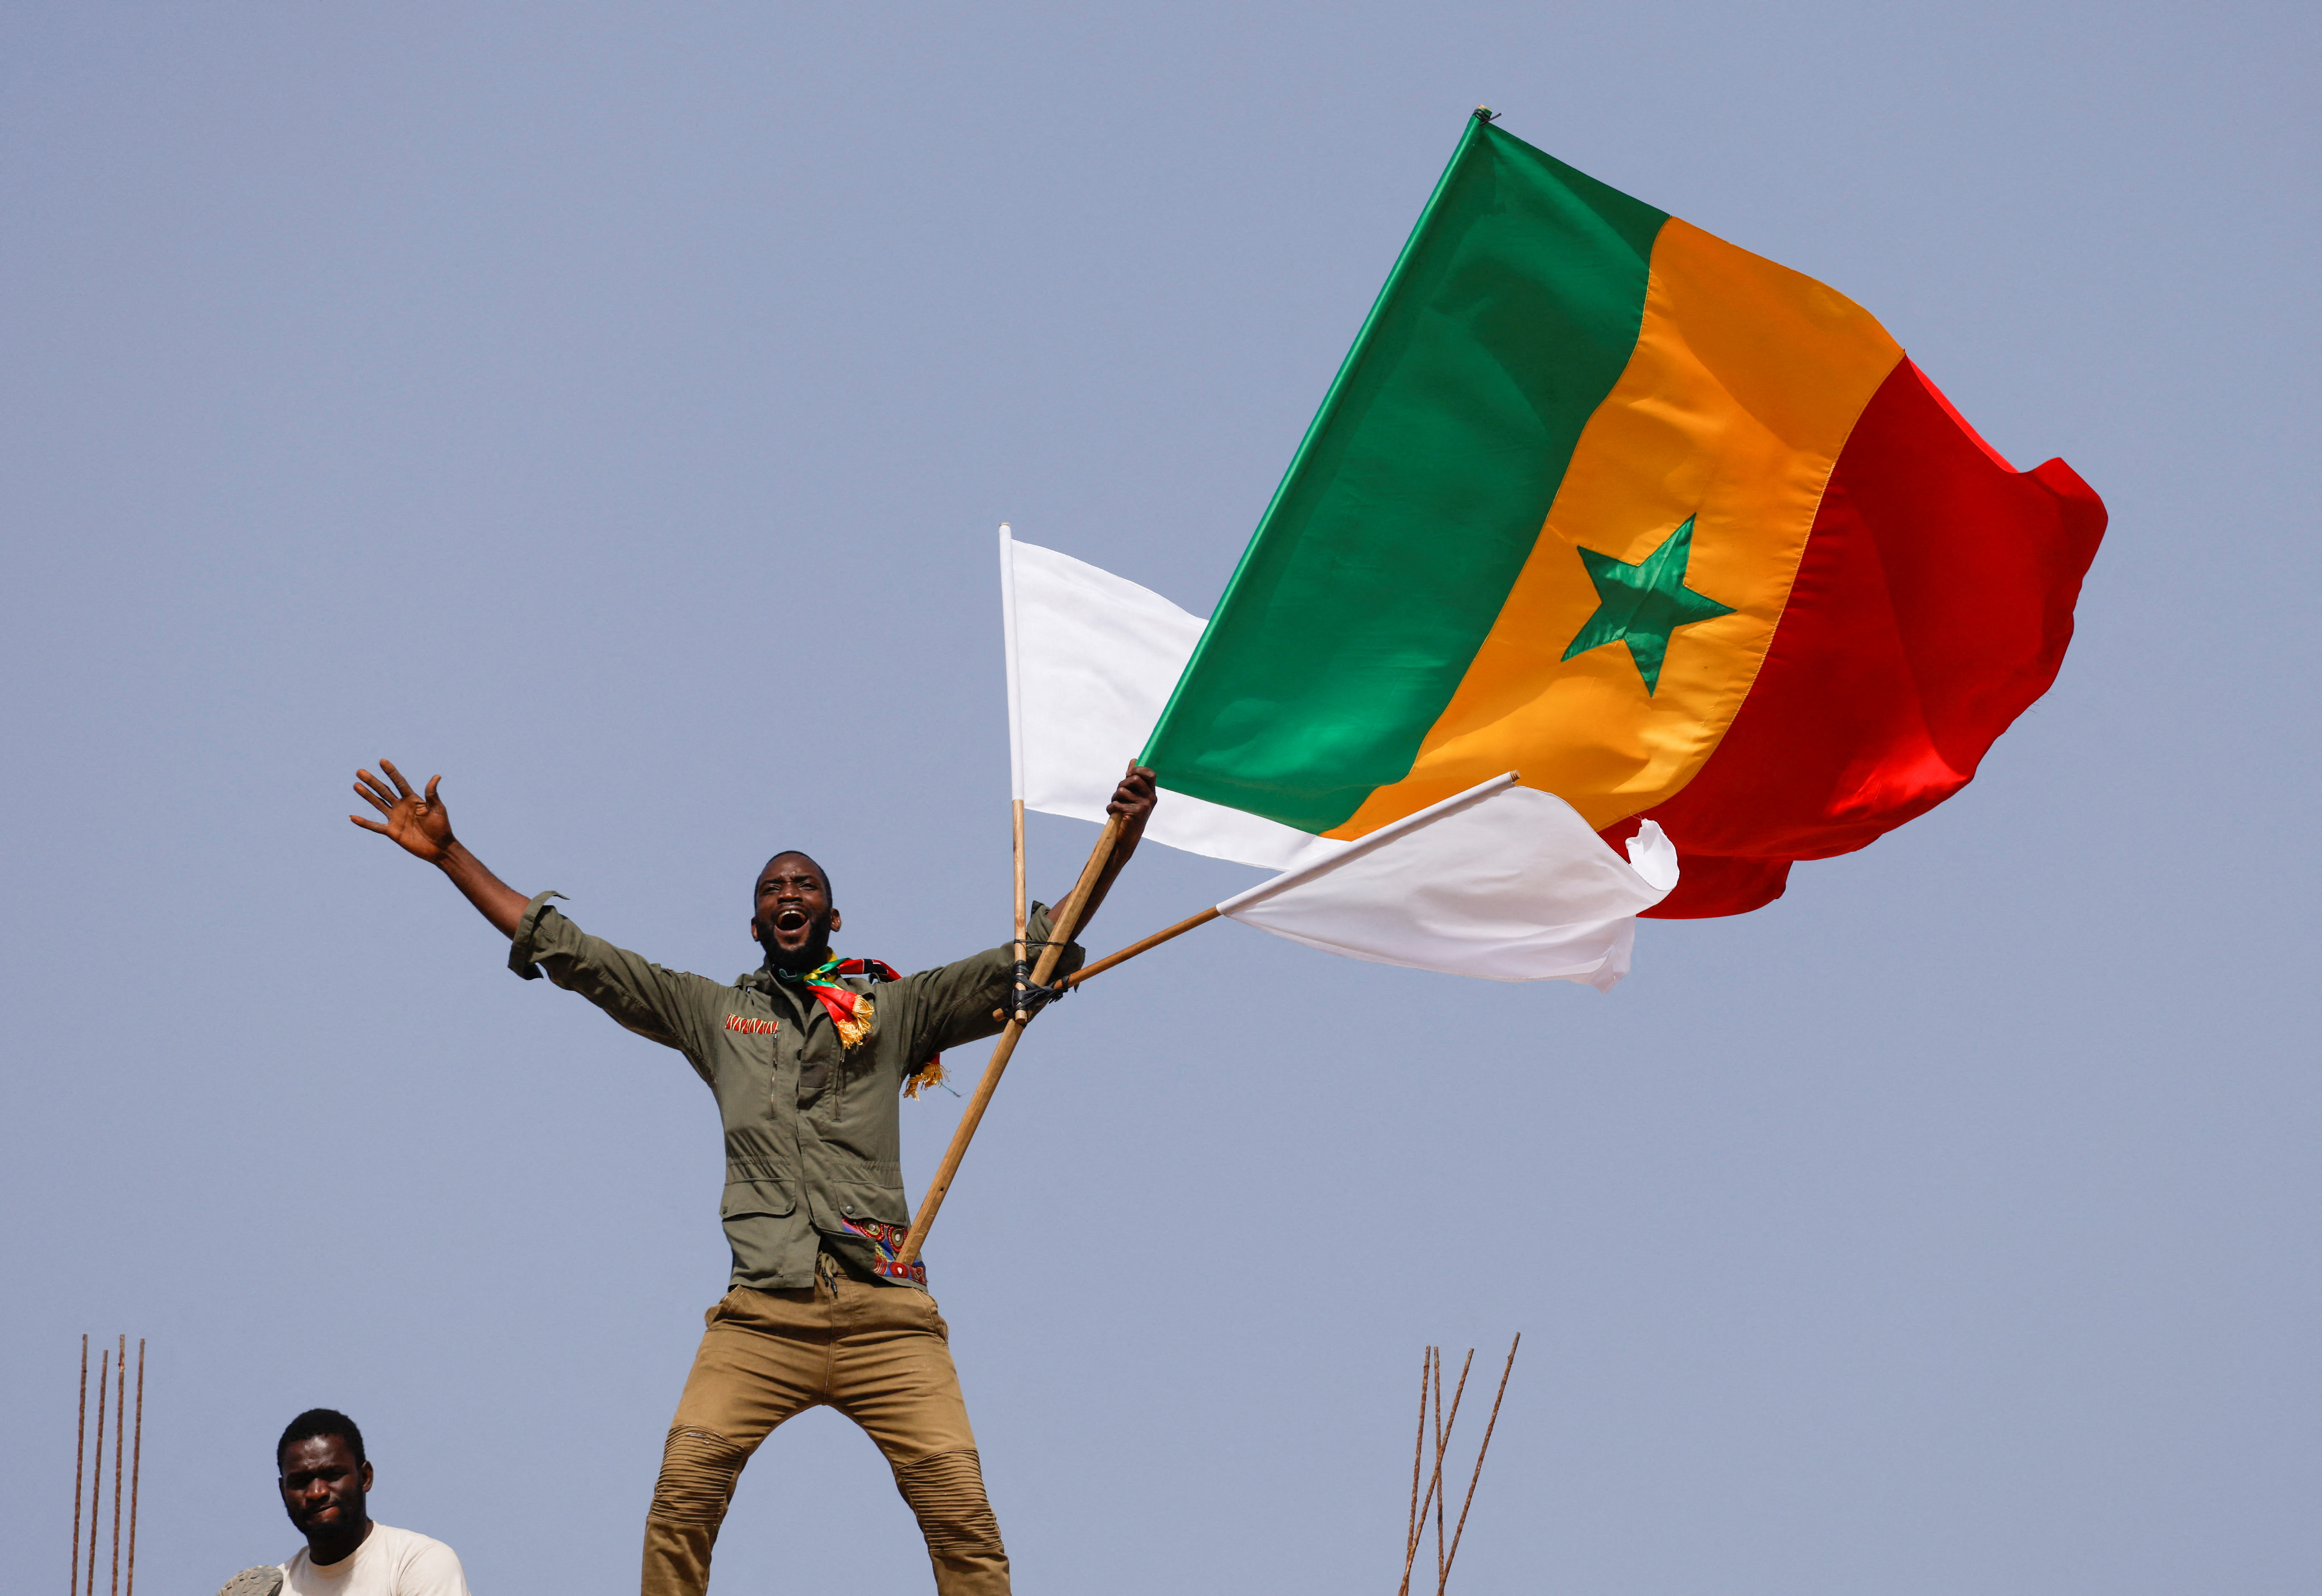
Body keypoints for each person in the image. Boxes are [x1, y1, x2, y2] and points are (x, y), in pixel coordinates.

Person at [348, 758, 1155, 1596]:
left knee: (962, 1515)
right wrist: (451, 855)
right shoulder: (716, 1015)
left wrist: (1120, 841)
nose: (788, 894)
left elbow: (1035, 955)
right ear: (755, 922)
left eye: (803, 885)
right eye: (773, 888)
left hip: (886, 1314)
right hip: (762, 1317)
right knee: (680, 1503)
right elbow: (575, 956)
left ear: (832, 914)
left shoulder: (894, 1011)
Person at [272, 1408, 472, 1595]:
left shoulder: (418, 1562)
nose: (317, 1492)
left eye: (332, 1475)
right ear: (283, 1492)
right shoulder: (273, 1590)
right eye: (300, 1482)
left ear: (365, 1477)